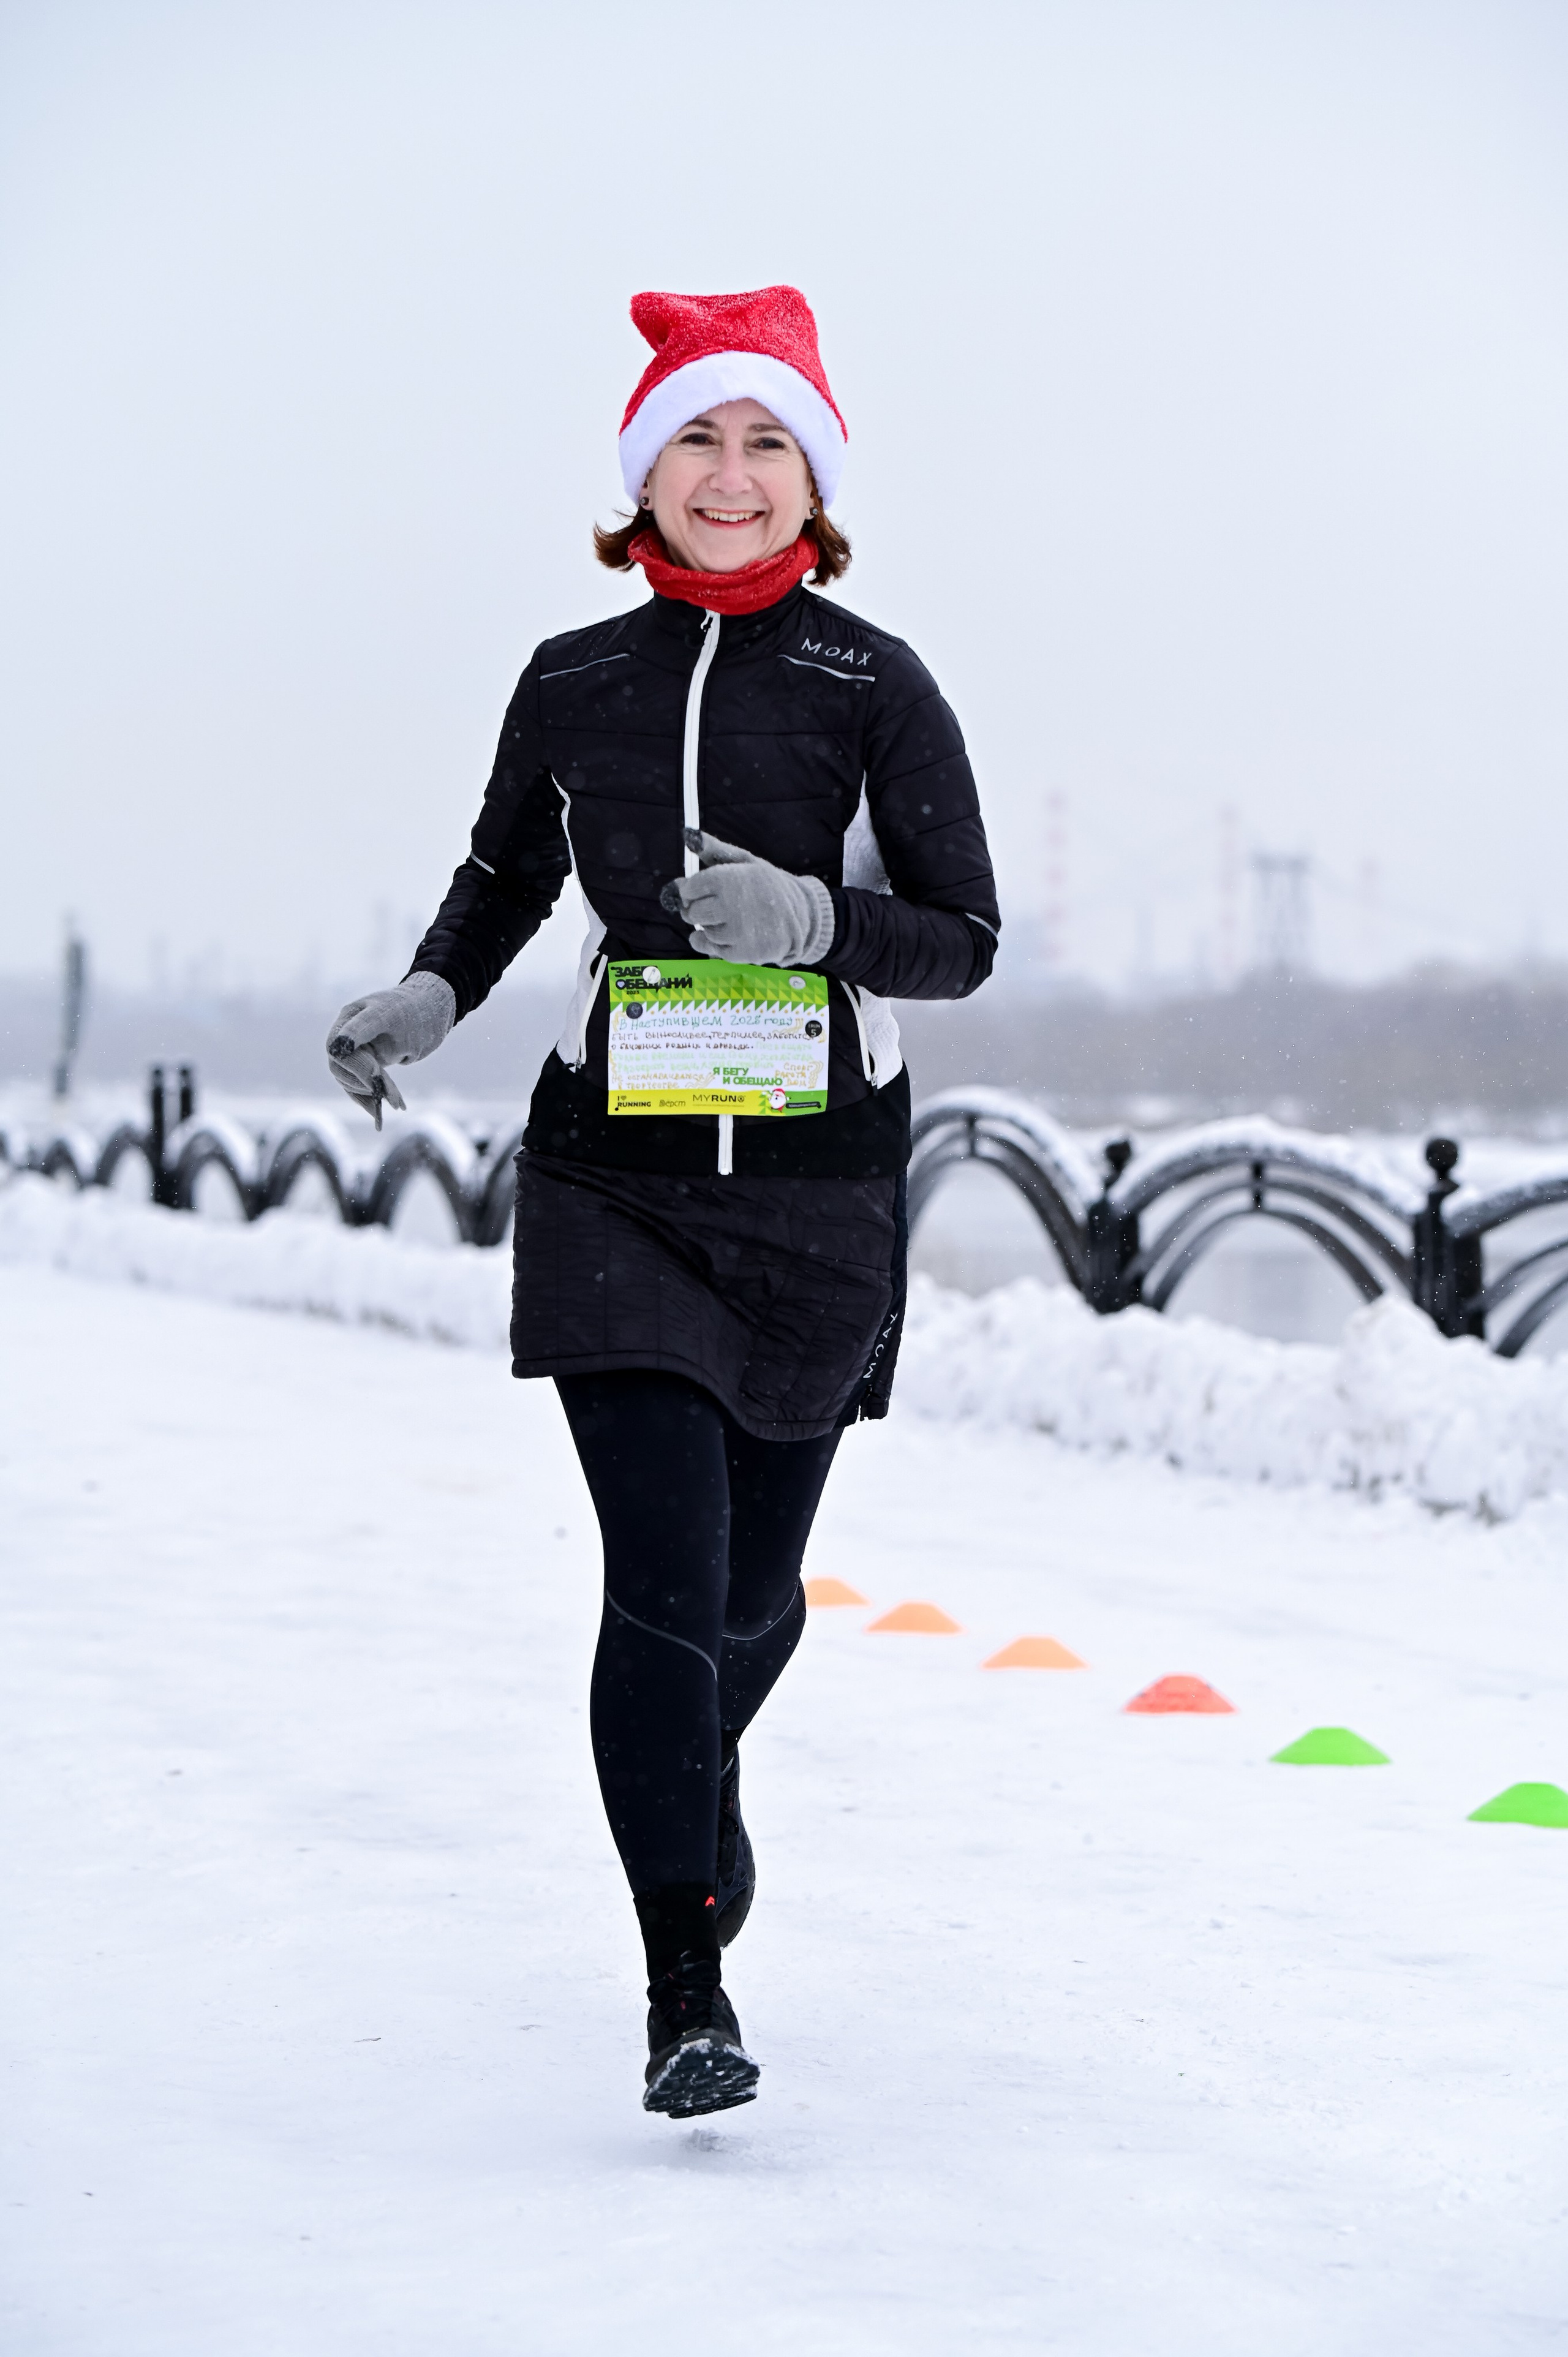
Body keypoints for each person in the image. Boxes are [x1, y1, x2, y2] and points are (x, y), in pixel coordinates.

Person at [326, 285, 999, 2119]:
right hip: (614, 1179)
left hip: (817, 1191)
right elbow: (501, 875)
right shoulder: (575, 679)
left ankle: (695, 1797)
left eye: (767, 439)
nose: (731, 472)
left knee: (758, 1595)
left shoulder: (876, 684)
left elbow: (965, 938)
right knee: (666, 1578)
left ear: (815, 480)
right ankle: (682, 1987)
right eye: (698, 437)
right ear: (643, 474)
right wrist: (429, 996)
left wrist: (815, 921)